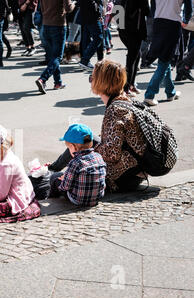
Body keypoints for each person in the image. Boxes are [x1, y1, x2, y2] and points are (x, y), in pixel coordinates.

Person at [48, 60, 148, 192]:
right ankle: (53, 167)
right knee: (84, 137)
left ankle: (51, 170)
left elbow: (112, 154)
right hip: (135, 172)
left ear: (102, 82)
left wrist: (85, 153)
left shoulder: (115, 110)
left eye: (92, 78)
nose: (91, 81)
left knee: (57, 176)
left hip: (123, 178)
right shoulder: (125, 101)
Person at [143, 0, 192, 107]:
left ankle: (171, 92)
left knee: (165, 59)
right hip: (172, 23)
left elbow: (153, 7)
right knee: (165, 60)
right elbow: (189, 8)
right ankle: (149, 95)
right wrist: (185, 20)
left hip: (158, 22)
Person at [49, 123, 106, 207]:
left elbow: (65, 187)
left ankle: (51, 199)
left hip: (78, 200)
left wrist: (63, 180)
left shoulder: (75, 162)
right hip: (97, 198)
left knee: (55, 177)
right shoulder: (98, 157)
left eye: (69, 148)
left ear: (73, 147)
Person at [35, 0, 75, 94]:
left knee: (53, 57)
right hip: (58, 25)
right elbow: (68, 8)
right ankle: (42, 79)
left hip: (46, 25)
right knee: (57, 57)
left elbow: (40, 8)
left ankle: (58, 83)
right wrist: (74, 3)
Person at [117, 0, 150, 97]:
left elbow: (117, 9)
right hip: (135, 29)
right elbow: (147, 11)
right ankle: (126, 88)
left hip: (123, 28)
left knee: (136, 54)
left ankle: (131, 85)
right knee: (132, 58)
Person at [78, 0, 104, 70]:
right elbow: (92, 4)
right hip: (92, 17)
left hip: (85, 16)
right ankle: (85, 60)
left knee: (86, 39)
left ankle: (86, 61)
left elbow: (79, 3)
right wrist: (98, 13)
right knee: (98, 38)